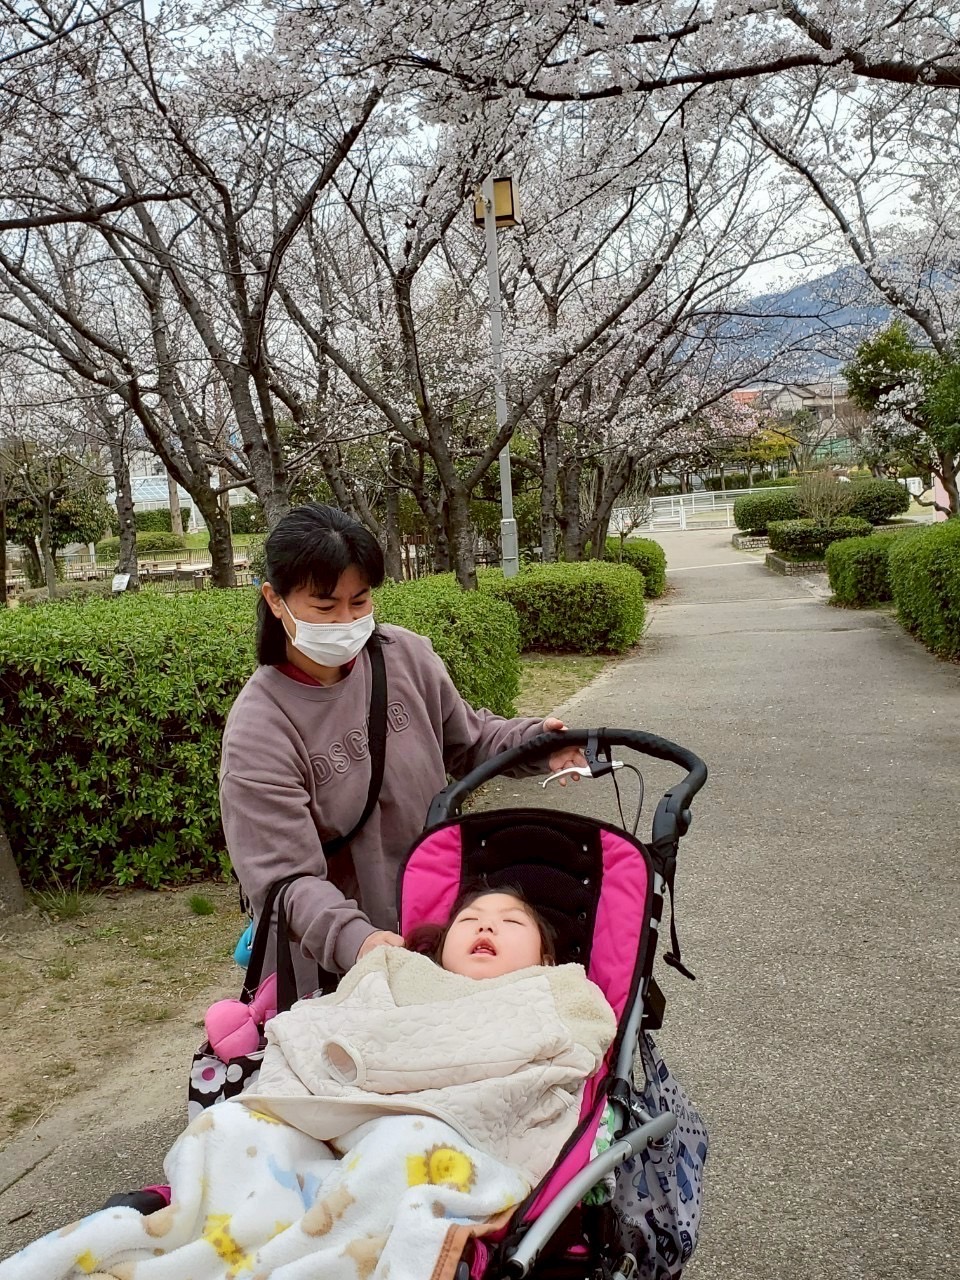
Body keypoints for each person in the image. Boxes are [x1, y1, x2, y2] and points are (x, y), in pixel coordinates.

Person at [0, 890, 615, 1280]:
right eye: (470, 919)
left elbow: (575, 1052)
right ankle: (201, 1238)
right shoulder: (398, 971)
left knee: (407, 1147)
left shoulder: (554, 990)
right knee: (231, 1124)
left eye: (511, 922)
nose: (487, 926)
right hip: (332, 1109)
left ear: (544, 956)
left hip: (442, 1122)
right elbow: (322, 1027)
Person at [220, 503, 585, 994]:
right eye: (325, 607)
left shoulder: (404, 657)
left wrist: (539, 743)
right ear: (275, 599)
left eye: (360, 601)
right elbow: (285, 882)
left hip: (437, 933)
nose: (346, 620)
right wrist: (362, 942)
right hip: (340, 974)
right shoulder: (260, 728)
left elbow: (469, 738)